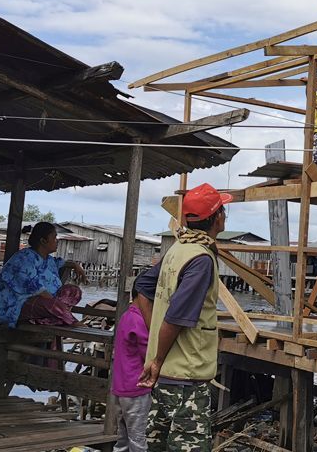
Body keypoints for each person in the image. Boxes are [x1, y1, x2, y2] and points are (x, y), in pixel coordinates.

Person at [139, 183, 230, 451]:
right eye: (223, 211)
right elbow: (177, 317)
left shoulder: (177, 250)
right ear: (216, 218)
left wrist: (156, 344)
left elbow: (142, 288)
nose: (225, 216)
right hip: (186, 381)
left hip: (167, 375)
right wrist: (156, 358)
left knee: (158, 444)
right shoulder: (200, 258)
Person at [0, 221, 88, 328]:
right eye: (54, 238)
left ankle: (53, 317)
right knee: (49, 304)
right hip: (18, 306)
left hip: (47, 304)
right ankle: (70, 320)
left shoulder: (49, 260)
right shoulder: (24, 259)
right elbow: (37, 290)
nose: (57, 241)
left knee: (74, 291)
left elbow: (60, 262)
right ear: (43, 241)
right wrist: (57, 304)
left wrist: (75, 265)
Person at [110, 291, 152, 452]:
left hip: (120, 386)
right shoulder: (139, 320)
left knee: (122, 439)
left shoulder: (126, 316)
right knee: (137, 439)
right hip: (136, 386)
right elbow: (148, 353)